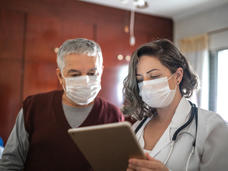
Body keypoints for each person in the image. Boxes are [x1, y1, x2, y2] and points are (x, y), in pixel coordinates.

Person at [0, 38, 124, 171]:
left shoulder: (113, 116)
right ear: (60, 76)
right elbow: (10, 164)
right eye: (75, 75)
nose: (86, 81)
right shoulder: (34, 107)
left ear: (101, 72)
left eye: (92, 73)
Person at [123, 39, 228, 171]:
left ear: (178, 76)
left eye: (154, 76)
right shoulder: (137, 128)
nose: (146, 85)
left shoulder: (211, 127)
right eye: (140, 80)